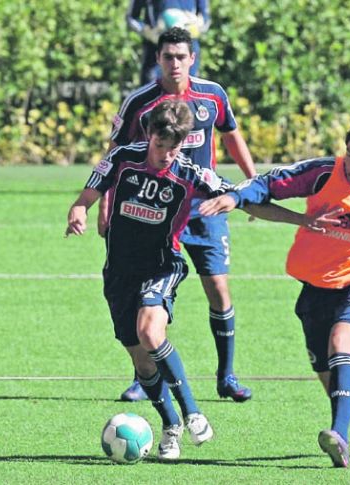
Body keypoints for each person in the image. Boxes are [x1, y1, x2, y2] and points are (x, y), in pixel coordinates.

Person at [199, 117, 350, 468]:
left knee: (340, 344)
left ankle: (339, 436)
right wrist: (237, 196)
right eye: (349, 154)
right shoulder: (321, 173)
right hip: (315, 289)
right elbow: (272, 183)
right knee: (337, 385)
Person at [65, 99, 228, 460]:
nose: (165, 154)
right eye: (159, 145)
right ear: (149, 135)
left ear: (183, 143)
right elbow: (89, 192)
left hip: (162, 266)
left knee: (151, 332)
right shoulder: (122, 157)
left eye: (173, 147)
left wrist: (250, 203)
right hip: (119, 273)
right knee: (142, 361)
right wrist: (79, 209)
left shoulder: (190, 173)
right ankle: (171, 425)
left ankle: (192, 411)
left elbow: (240, 193)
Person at [102, 26, 257, 403]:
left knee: (218, 289)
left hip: (203, 208)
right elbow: (115, 154)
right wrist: (104, 206)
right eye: (167, 56)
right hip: (152, 210)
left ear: (192, 58)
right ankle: (143, 378)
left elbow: (232, 135)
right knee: (140, 296)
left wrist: (253, 183)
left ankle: (227, 376)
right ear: (157, 59)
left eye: (181, 56)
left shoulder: (213, 95)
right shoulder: (139, 102)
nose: (175, 63)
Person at [126, 1, 210, 85]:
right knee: (152, 94)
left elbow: (206, 18)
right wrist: (146, 31)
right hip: (155, 55)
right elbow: (131, 17)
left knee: (188, 94)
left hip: (187, 53)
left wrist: (196, 27)